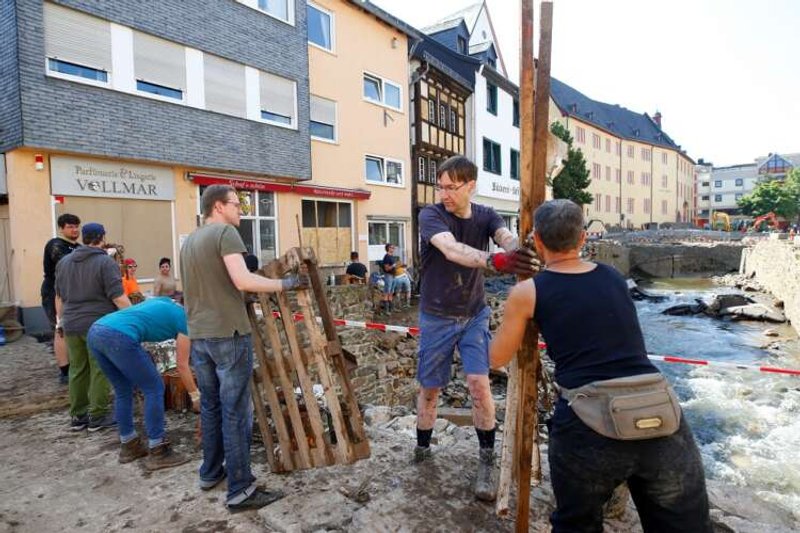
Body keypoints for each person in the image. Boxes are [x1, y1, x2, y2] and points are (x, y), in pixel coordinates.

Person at [489, 199, 711, 532]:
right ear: (582, 240)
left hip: (588, 420)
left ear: (536, 240)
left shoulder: (528, 292)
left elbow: (496, 358)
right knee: (684, 525)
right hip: (659, 411)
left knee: (576, 524)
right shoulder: (613, 277)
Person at [413, 155, 537, 501]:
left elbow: (505, 237)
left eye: (451, 187)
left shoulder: (485, 215)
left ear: (471, 186)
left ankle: (486, 459)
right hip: (436, 316)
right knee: (430, 390)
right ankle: (422, 448)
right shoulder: (431, 215)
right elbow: (451, 250)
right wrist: (495, 261)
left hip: (474, 314)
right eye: (440, 187)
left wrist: (522, 250)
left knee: (480, 386)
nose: (444, 194)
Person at [180, 184, 307, 513]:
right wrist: (287, 284)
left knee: (211, 406)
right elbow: (243, 280)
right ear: (219, 206)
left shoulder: (190, 240)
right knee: (236, 411)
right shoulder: (225, 233)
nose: (241, 211)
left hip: (200, 335)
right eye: (237, 205)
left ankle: (210, 473)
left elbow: (208, 285)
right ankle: (240, 490)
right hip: (229, 333)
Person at [87, 297, 192, 470]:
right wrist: (195, 396)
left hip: (97, 330)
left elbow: (142, 319)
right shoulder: (186, 319)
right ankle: (158, 450)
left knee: (123, 389)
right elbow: (182, 365)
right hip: (119, 336)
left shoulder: (166, 301)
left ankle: (129, 445)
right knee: (154, 387)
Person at [55, 222, 132, 431]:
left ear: (84, 237)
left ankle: (78, 416)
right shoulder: (105, 263)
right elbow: (118, 297)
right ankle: (97, 415)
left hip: (70, 323)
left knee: (77, 369)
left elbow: (59, 296)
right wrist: (135, 318)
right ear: (102, 238)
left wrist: (59, 322)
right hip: (98, 324)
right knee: (99, 368)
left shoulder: (64, 262)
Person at [42, 213, 81, 384]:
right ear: (61, 228)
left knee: (73, 330)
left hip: (74, 292)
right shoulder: (55, 245)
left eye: (76, 226)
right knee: (61, 330)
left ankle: (75, 365)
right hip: (55, 292)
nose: (75, 229)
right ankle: (64, 371)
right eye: (70, 226)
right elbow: (67, 264)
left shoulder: (78, 247)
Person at [380, 244, 397, 313]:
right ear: (388, 248)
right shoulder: (386, 257)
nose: (393, 249)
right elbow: (386, 269)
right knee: (387, 292)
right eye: (391, 247)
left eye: (394, 247)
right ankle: (386, 310)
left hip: (393, 275)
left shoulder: (392, 256)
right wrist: (393, 266)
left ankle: (391, 309)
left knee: (391, 292)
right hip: (388, 275)